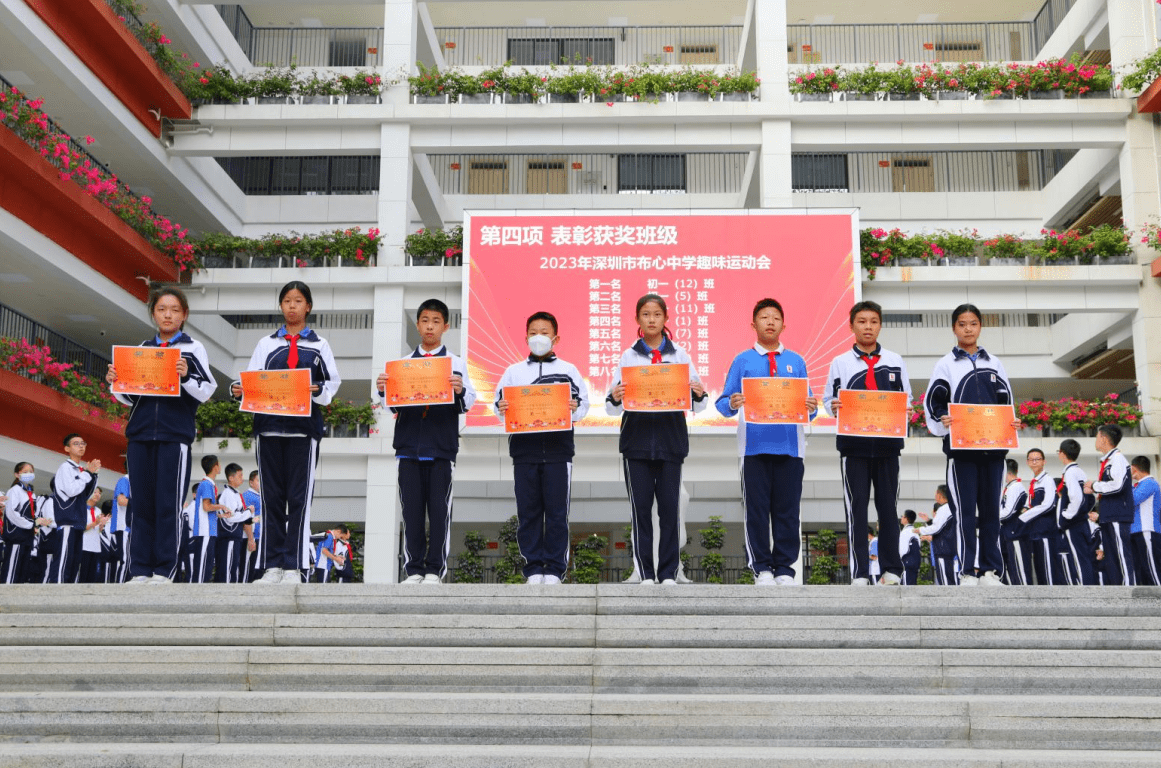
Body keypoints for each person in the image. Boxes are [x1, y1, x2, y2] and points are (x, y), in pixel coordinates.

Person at [233, 281, 341, 585]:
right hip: (267, 430)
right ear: (281, 306)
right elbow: (252, 380)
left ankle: (294, 566)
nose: (292, 306)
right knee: (271, 499)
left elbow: (331, 386)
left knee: (298, 499)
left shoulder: (320, 345)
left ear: (308, 306)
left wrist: (315, 389)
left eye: (298, 301)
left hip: (302, 433)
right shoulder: (266, 344)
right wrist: (239, 389)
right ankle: (271, 566)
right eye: (287, 301)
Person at [107, 287, 217, 585]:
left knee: (168, 504)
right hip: (140, 435)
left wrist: (185, 376)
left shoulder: (193, 349)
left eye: (174, 310)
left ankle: (164, 570)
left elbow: (206, 391)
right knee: (141, 504)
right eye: (161, 309)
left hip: (174, 436)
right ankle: (139, 569)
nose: (168, 315)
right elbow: (132, 398)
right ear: (153, 313)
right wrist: (116, 382)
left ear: (184, 315)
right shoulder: (142, 348)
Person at [605, 293, 706, 587]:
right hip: (635, 444)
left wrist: (697, 392)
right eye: (646, 314)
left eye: (656, 314)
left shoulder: (680, 355)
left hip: (671, 443)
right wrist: (615, 396)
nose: (651, 319)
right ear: (638, 319)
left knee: (669, 511)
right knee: (641, 512)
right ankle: (646, 573)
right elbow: (612, 407)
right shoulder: (629, 356)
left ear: (666, 318)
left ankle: (668, 573)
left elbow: (699, 404)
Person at [376, 298, 476, 584]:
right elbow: (392, 407)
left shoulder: (456, 363)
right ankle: (414, 569)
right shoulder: (402, 365)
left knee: (439, 511)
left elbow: (468, 402)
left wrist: (459, 390)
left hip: (442, 448)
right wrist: (384, 390)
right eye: (424, 321)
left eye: (435, 321)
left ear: (445, 326)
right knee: (411, 511)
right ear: (418, 324)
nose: (429, 326)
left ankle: (434, 570)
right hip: (408, 448)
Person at [715, 298, 814, 586]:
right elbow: (723, 404)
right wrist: (733, 402)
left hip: (791, 447)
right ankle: (762, 568)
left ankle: (785, 568)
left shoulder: (797, 361)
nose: (770, 322)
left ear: (784, 324)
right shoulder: (742, 360)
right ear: (753, 324)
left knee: (788, 511)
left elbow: (809, 404)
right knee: (756, 511)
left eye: (775, 317)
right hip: (753, 448)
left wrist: (811, 405)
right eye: (764, 317)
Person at [924, 304, 1020, 587]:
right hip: (961, 451)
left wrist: (1011, 422)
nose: (968, 328)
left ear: (980, 327)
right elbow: (934, 401)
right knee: (964, 512)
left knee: (991, 511)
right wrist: (943, 418)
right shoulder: (945, 364)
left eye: (973, 323)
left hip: (994, 450)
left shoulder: (995, 363)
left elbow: (1006, 401)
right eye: (962, 324)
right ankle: (967, 571)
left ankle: (990, 571)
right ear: (954, 328)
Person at [494, 311, 589, 585]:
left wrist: (573, 408)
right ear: (526, 337)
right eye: (534, 332)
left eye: (545, 332)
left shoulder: (569, 370)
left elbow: (583, 407)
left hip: (559, 452)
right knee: (529, 512)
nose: (539, 337)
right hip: (524, 452)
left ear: (556, 338)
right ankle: (533, 568)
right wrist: (502, 408)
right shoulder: (513, 372)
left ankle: (556, 569)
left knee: (558, 513)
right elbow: (499, 407)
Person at [823, 300, 909, 586]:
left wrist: (907, 410)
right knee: (856, 510)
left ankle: (892, 570)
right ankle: (859, 572)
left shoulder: (895, 361)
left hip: (888, 447)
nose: (868, 326)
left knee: (888, 509)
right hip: (853, 447)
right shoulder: (840, 362)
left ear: (880, 325)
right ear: (851, 326)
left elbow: (905, 398)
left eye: (873, 321)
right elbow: (827, 401)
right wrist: (832, 406)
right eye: (861, 321)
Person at [1085, 424, 1135, 585]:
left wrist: (1094, 486)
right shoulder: (1108, 460)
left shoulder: (1118, 459)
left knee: (1121, 553)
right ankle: (1118, 589)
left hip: (1117, 515)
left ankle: (1128, 590)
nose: (1096, 440)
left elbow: (1117, 485)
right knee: (1112, 555)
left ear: (1104, 438)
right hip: (1109, 515)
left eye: (1097, 436)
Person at [49, 434, 101, 584]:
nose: (81, 446)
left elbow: (85, 495)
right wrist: (87, 473)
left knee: (73, 561)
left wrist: (93, 474)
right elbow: (72, 490)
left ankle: (68, 593)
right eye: (76, 443)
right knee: (63, 560)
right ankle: (57, 591)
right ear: (67, 448)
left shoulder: (80, 470)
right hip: (68, 520)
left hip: (78, 521)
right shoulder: (65, 467)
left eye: (83, 443)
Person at [1055, 439, 1097, 585]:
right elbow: (1091, 498)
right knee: (1084, 557)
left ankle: (1084, 591)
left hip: (1074, 524)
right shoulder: (1080, 471)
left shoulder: (1070, 473)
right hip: (1081, 522)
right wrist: (1083, 513)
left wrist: (1066, 515)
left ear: (1063, 454)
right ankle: (1088, 588)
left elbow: (1076, 498)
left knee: (1078, 559)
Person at [1017, 448, 1060, 585]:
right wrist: (1024, 510)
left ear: (1044, 461)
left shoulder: (1047, 480)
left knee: (1048, 569)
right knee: (1039, 568)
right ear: (1027, 462)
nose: (1034, 462)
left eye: (1037, 459)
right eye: (1031, 459)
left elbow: (1048, 504)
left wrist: (1025, 516)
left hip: (1045, 531)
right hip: (1034, 531)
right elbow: (1030, 504)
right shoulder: (1033, 482)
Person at [3, 463, 50, 584]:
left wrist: (39, 522)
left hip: (27, 536)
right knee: (12, 570)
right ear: (17, 475)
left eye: (31, 471)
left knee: (22, 571)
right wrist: (31, 524)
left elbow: (33, 514)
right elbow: (12, 513)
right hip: (16, 536)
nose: (28, 474)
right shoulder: (14, 490)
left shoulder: (31, 493)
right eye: (25, 472)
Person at [214, 463, 255, 584]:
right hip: (229, 536)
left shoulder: (235, 493)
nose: (242, 478)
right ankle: (226, 596)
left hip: (234, 536)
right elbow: (231, 517)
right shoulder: (228, 494)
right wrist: (248, 512)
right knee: (228, 567)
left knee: (232, 566)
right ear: (231, 478)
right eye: (240, 475)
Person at [189, 455, 227, 584]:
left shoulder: (208, 484)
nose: (220, 467)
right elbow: (206, 507)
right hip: (204, 530)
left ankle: (202, 589)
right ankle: (198, 591)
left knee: (207, 563)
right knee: (203, 563)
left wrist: (221, 514)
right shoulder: (206, 484)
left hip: (209, 530)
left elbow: (207, 509)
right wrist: (221, 506)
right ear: (215, 467)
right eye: (219, 464)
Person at [914, 486, 958, 586]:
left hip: (943, 549)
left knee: (945, 580)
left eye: (936, 493)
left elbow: (936, 528)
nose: (935, 496)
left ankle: (948, 600)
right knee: (949, 578)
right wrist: (929, 521)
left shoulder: (944, 509)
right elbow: (943, 528)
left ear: (940, 495)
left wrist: (920, 530)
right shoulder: (953, 507)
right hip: (949, 547)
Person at [1130, 456, 1161, 586]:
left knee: (1152, 567)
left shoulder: (1150, 483)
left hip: (1147, 530)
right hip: (1137, 531)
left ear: (1135, 468)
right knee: (1141, 569)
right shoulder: (1137, 486)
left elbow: (1133, 500)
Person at [998, 458, 1030, 585]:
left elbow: (1009, 511)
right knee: (1013, 567)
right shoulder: (1010, 487)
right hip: (1009, 532)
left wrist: (992, 518)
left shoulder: (1016, 487)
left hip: (1016, 532)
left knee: (1020, 569)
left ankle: (1025, 599)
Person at [78, 489, 107, 584]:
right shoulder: (81, 508)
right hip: (84, 546)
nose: (98, 495)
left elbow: (98, 530)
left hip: (95, 547)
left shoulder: (98, 511)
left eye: (99, 493)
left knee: (92, 577)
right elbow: (80, 528)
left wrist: (102, 524)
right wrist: (95, 523)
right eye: (95, 492)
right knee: (82, 575)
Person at [107, 473, 131, 584]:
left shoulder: (138, 482)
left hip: (133, 528)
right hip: (124, 527)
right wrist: (143, 504)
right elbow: (122, 501)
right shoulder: (125, 480)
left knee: (132, 562)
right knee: (125, 561)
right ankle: (121, 589)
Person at [242, 471, 262, 583]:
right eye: (258, 481)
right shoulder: (248, 496)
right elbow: (246, 519)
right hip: (252, 537)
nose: (261, 483)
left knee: (257, 570)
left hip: (259, 537)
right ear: (251, 482)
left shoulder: (260, 496)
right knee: (248, 569)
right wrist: (251, 539)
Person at [899, 510, 921, 585]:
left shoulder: (905, 532)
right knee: (912, 584)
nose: (901, 518)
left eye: (902, 516)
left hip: (906, 563)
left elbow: (902, 551)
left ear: (906, 518)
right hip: (915, 563)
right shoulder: (915, 532)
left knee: (906, 587)